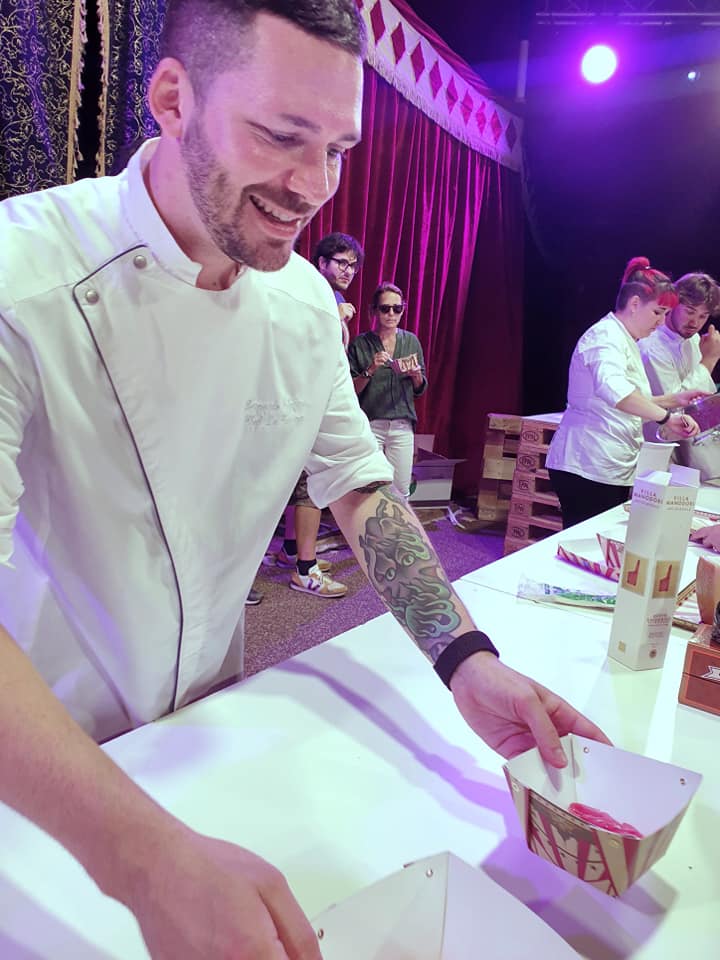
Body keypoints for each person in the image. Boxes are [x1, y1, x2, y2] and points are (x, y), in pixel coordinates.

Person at [0, 2, 608, 957]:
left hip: (207, 724)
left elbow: (360, 487)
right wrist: (143, 859)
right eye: (282, 137)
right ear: (173, 99)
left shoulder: (304, 303)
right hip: (44, 773)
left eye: (337, 150)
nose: (313, 187)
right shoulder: (21, 272)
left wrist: (466, 658)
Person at [547, 257, 706, 529]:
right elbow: (617, 394)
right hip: (587, 464)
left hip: (611, 466)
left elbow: (628, 401)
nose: (661, 322)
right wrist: (666, 417)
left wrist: (674, 400)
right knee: (585, 540)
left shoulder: (625, 339)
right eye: (657, 313)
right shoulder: (604, 338)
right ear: (634, 304)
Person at [272, 233, 365, 598]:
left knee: (302, 483)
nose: (348, 270)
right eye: (341, 262)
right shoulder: (312, 294)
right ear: (321, 262)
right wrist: (328, 318)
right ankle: (305, 570)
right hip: (301, 405)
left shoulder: (329, 297)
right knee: (311, 486)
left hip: (310, 404)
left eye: (353, 265)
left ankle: (291, 550)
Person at [348, 282, 427, 498]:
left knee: (401, 490)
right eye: (385, 308)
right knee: (367, 487)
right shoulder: (360, 344)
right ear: (374, 310)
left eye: (397, 308)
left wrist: (416, 376)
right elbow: (350, 390)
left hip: (402, 424)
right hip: (371, 424)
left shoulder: (411, 341)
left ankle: (396, 521)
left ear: (403, 309)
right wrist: (370, 369)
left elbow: (420, 389)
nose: (391, 314)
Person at [640, 271, 720, 397]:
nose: (694, 323)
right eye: (689, 312)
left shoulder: (693, 338)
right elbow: (676, 405)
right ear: (673, 304)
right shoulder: (652, 348)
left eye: (703, 316)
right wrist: (709, 359)